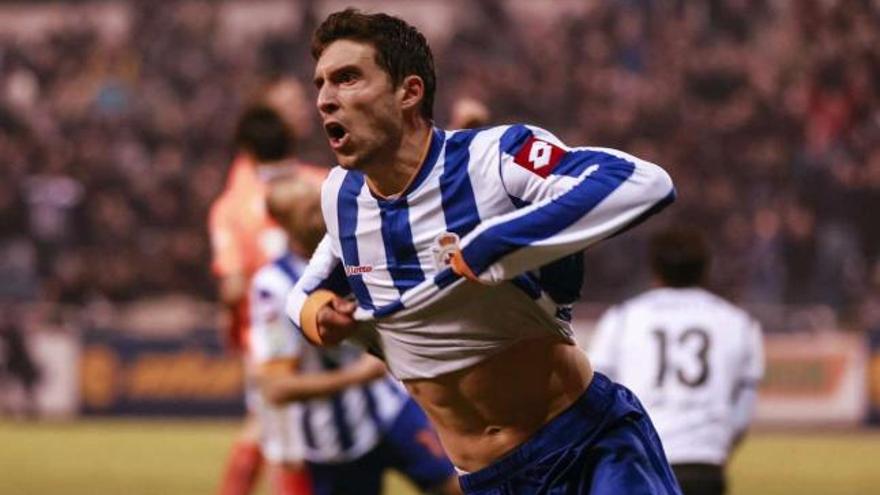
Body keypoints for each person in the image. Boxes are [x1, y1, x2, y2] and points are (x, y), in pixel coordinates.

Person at [287, 9, 680, 494]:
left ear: (409, 92)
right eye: (321, 84)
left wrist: (496, 244)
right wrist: (319, 316)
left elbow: (643, 182)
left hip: (588, 445)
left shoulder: (496, 157)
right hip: (487, 481)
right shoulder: (340, 199)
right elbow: (303, 294)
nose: (326, 99)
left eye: (347, 79)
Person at [249, 177, 461, 495]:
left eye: (316, 203)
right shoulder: (274, 287)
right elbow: (276, 388)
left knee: (457, 487)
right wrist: (356, 376)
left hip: (390, 411)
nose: (316, 213)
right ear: (283, 221)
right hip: (333, 444)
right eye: (305, 208)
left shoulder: (357, 248)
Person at [590, 227, 765, 495]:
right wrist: (717, 446)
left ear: (654, 269)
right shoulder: (737, 322)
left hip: (641, 462)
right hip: (705, 465)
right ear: (706, 269)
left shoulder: (623, 319)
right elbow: (742, 410)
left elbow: (597, 399)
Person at [208, 104, 323, 495]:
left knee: (281, 439)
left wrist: (230, 324)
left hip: (272, 337)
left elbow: (234, 288)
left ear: (246, 151)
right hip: (328, 323)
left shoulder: (232, 207)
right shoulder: (323, 183)